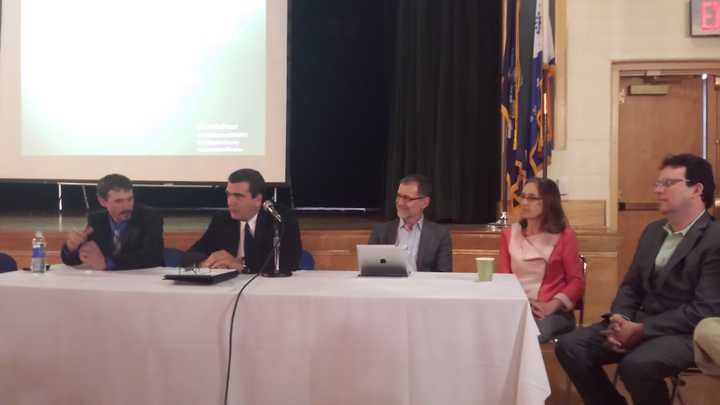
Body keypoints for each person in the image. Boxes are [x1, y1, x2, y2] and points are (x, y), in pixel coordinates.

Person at [556, 153, 720, 405]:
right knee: (570, 346)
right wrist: (621, 319)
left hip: (684, 333)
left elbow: (705, 309)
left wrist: (642, 331)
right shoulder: (654, 231)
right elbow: (631, 286)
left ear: (696, 189)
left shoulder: (714, 238)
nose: (657, 190)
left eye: (667, 184)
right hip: (639, 322)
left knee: (636, 365)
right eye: (657, 183)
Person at [498, 178, 585, 343]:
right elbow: (504, 279)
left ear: (549, 202)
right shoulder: (509, 235)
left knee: (527, 334)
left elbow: (576, 281)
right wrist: (519, 304)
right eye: (522, 196)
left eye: (532, 198)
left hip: (552, 311)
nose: (524, 202)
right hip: (517, 307)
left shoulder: (565, 236)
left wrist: (552, 305)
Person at [187, 168, 302, 274]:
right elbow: (189, 256)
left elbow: (289, 264)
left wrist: (241, 266)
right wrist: (205, 263)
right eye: (228, 195)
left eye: (238, 196)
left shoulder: (279, 219)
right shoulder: (222, 220)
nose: (230, 202)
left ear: (258, 199)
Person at [61, 174, 164, 270]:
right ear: (102, 201)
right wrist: (71, 248)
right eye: (119, 201)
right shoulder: (97, 220)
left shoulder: (150, 217)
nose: (127, 206)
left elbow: (152, 257)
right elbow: (76, 259)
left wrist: (107, 263)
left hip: (144, 282)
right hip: (108, 283)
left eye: (130, 199)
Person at [369, 174, 452, 272]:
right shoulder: (380, 232)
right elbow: (371, 271)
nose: (400, 203)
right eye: (398, 196)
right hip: (389, 286)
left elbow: (443, 275)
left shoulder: (440, 235)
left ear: (425, 203)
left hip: (423, 286)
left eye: (407, 198)